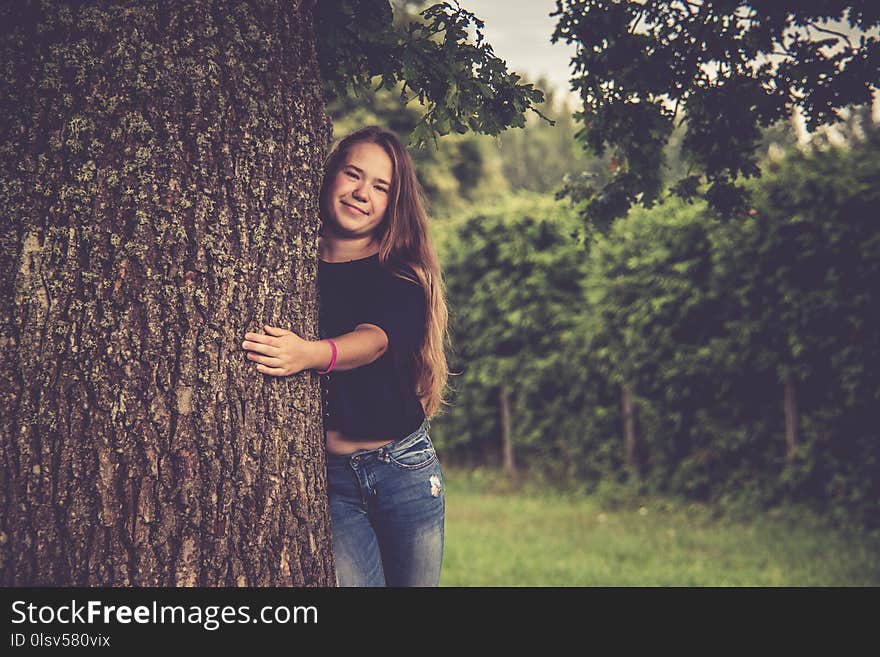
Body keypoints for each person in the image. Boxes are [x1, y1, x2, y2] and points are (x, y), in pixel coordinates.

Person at [240, 126, 449, 587]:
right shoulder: (289, 259)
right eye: (353, 174)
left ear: (394, 202)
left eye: (380, 187)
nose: (361, 193)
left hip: (403, 470)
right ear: (329, 173)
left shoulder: (400, 273)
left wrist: (308, 354)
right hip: (328, 481)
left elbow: (373, 340)